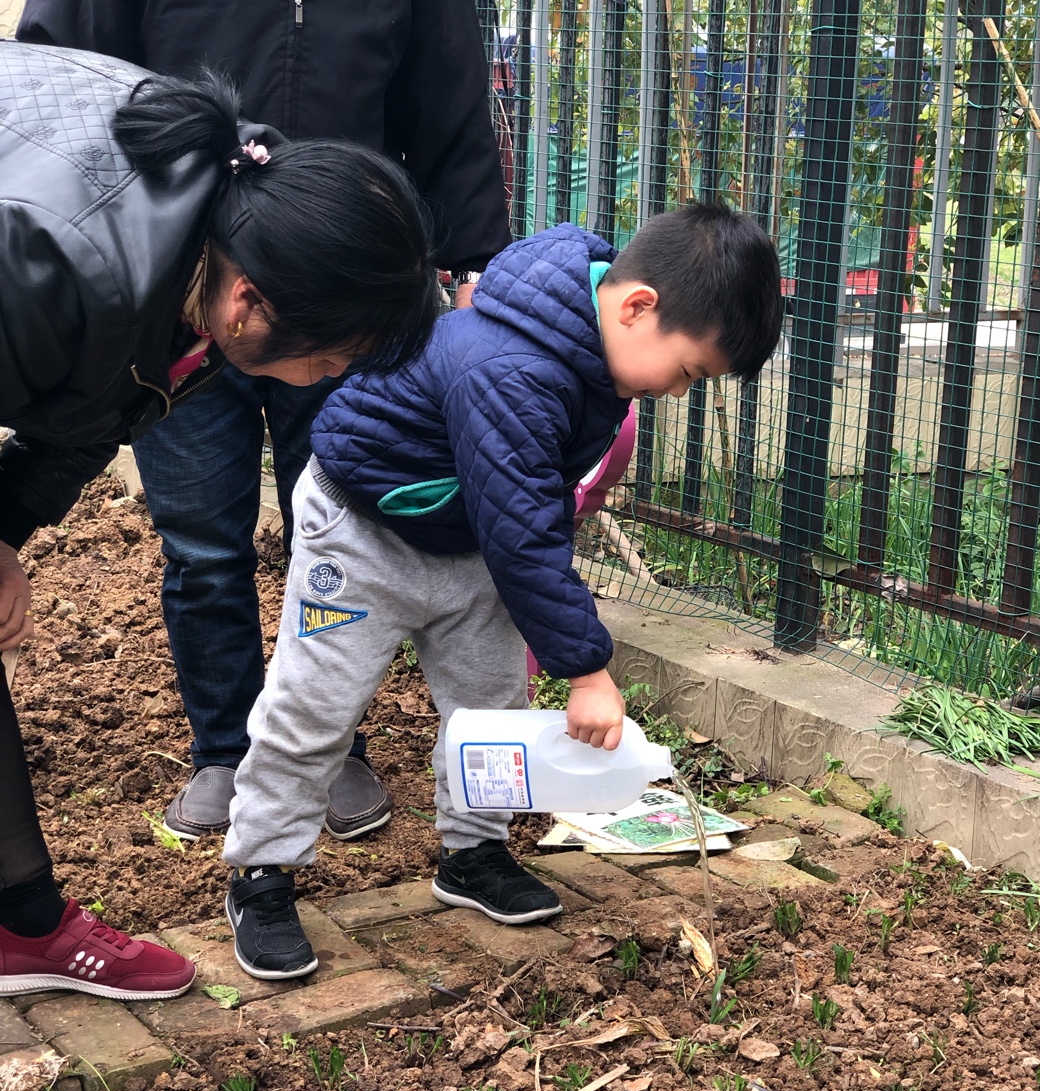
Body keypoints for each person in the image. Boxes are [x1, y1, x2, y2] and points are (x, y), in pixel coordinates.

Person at [17, 0, 512, 844]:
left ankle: (323, 742)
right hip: (177, 268)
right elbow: (60, 65)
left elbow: (449, 95)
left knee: (342, 532)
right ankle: (225, 747)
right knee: (203, 539)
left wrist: (476, 259)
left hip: (337, 286)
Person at [219, 204, 783, 980]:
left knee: (489, 708)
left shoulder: (585, 345)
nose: (679, 392)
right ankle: (262, 872)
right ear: (637, 306)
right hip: (364, 534)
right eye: (688, 372)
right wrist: (587, 671)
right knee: (314, 706)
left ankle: (473, 854)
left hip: (470, 538)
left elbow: (522, 514)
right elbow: (525, 534)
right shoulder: (511, 368)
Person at [0, 40, 438, 999]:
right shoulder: (58, 264)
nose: (323, 384)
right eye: (328, 362)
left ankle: (20, 923)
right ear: (250, 305)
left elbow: (99, 408)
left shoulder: (228, 223)